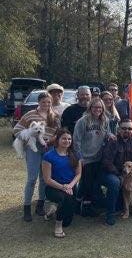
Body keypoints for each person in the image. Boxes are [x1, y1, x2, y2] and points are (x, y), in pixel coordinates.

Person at [13, 91, 60, 221]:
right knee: (32, 179)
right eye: (43, 102)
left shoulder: (55, 115)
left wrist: (51, 141)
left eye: (48, 102)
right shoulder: (30, 115)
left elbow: (58, 133)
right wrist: (27, 137)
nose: (46, 104)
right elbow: (16, 130)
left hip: (48, 148)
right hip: (32, 149)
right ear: (38, 102)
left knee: (45, 178)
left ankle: (40, 205)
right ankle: (27, 207)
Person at [73, 97, 114, 216]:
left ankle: (78, 203)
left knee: (90, 183)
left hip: (98, 157)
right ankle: (85, 207)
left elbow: (107, 133)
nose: (98, 109)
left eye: (100, 107)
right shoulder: (83, 121)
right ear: (90, 108)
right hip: (85, 158)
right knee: (87, 183)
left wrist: (110, 135)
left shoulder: (104, 120)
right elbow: (76, 140)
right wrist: (79, 157)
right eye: (95, 107)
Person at [102, 119, 132, 225]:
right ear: (119, 129)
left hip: (129, 173)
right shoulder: (112, 142)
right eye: (124, 128)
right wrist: (120, 175)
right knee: (115, 182)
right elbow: (107, 162)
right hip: (112, 173)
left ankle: (131, 208)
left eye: (130, 129)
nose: (127, 130)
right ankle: (110, 214)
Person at [41, 128, 82, 237]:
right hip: (53, 188)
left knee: (67, 223)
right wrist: (63, 187)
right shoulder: (48, 156)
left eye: (69, 139)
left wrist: (70, 186)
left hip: (70, 187)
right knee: (65, 198)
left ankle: (53, 210)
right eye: (64, 138)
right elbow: (47, 179)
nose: (67, 141)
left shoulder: (75, 155)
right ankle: (58, 225)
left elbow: (78, 174)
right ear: (57, 139)